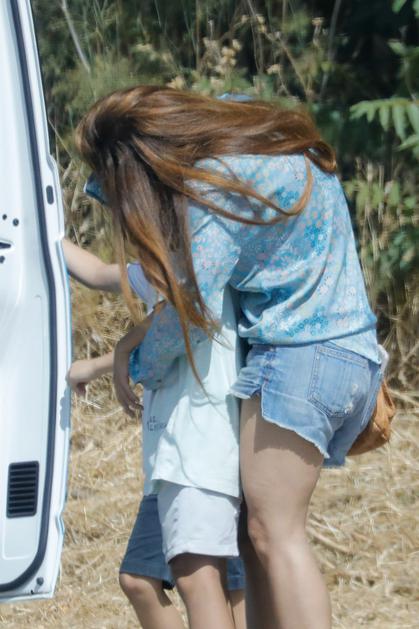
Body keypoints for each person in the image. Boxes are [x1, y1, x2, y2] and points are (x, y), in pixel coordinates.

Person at [74, 85, 387, 629]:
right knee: (256, 537)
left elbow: (190, 309)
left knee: (276, 534)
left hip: (298, 358)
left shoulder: (216, 184)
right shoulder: (270, 138)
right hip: (353, 356)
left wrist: (134, 360)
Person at [63, 238, 246, 629]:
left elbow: (173, 320)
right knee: (155, 580)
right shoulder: (155, 275)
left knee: (219, 587)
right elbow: (96, 272)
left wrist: (112, 355)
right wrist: (38, 229)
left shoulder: (206, 270)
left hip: (204, 456)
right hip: (169, 462)